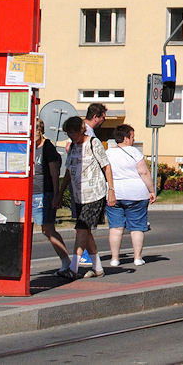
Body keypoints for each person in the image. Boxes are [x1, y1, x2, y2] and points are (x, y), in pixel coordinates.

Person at [55, 115, 115, 278]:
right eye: (68, 133)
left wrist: (111, 190)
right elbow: (68, 171)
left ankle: (73, 268)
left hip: (95, 193)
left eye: (73, 133)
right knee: (86, 232)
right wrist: (60, 193)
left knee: (81, 229)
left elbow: (106, 166)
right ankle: (98, 268)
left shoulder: (93, 143)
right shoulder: (73, 147)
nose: (71, 136)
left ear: (80, 130)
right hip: (79, 195)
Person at [105, 124, 156, 267]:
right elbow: (144, 172)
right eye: (132, 137)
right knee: (137, 227)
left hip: (115, 193)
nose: (133, 140)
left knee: (115, 228)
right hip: (136, 194)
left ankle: (115, 258)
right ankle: (137, 258)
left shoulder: (108, 153)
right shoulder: (134, 152)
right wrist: (151, 191)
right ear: (126, 138)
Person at [33, 118, 72, 278]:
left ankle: (66, 262)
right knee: (23, 228)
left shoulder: (47, 147)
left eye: (34, 131)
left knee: (47, 229)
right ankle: (20, 264)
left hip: (44, 192)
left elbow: (55, 174)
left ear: (39, 131)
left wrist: (56, 195)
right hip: (28, 194)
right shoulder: (28, 147)